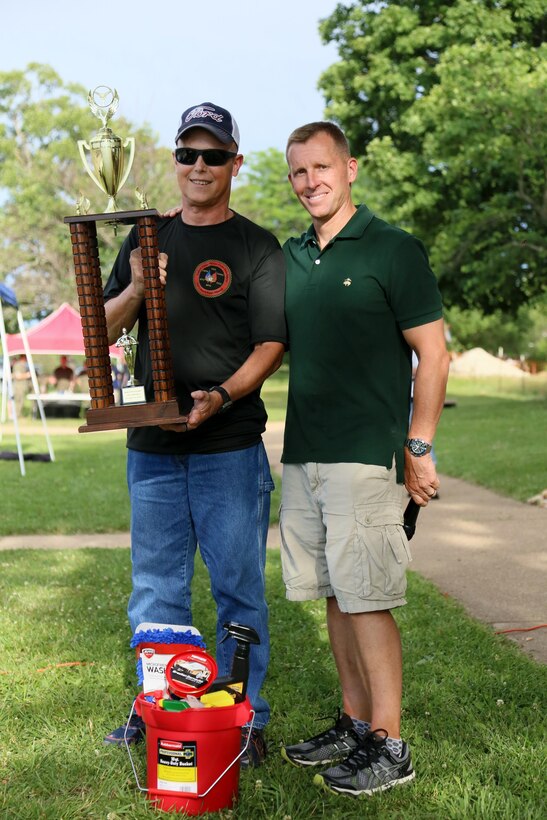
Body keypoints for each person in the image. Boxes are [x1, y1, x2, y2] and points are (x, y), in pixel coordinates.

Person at [102, 102, 287, 766]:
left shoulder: (254, 246)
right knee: (156, 585)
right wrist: (137, 288)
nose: (199, 166)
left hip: (227, 445)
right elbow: (108, 325)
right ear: (175, 162)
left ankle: (243, 716)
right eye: (188, 154)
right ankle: (157, 708)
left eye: (213, 155)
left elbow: (270, 343)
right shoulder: (145, 238)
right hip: (152, 449)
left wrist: (223, 396)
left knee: (238, 585)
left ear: (234, 163)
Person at [278, 122, 450, 796]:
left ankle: (390, 743)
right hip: (304, 456)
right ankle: (353, 723)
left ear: (349, 169)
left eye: (321, 167)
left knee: (368, 600)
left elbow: (432, 354)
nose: (310, 181)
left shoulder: (392, 249)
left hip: (364, 457)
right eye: (298, 172)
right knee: (333, 593)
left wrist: (419, 444)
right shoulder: (291, 256)